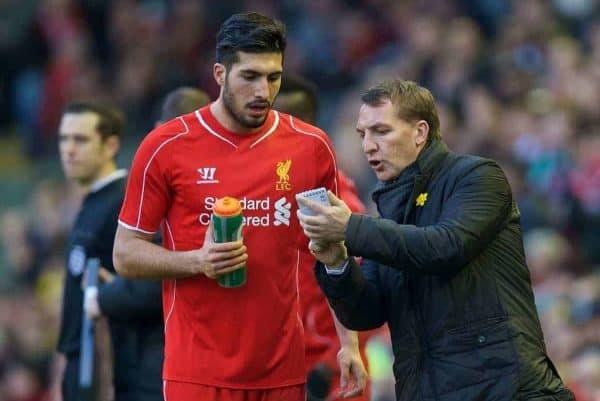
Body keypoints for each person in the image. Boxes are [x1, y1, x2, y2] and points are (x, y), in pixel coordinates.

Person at [113, 12, 366, 401]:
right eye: (249, 76)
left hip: (282, 371)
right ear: (219, 74)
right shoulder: (165, 147)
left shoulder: (311, 147)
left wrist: (348, 341)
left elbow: (330, 251)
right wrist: (198, 261)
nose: (263, 91)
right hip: (195, 373)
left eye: (273, 77)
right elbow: (125, 254)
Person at [297, 79, 576, 401]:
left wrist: (351, 228)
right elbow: (366, 313)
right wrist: (337, 263)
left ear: (420, 132)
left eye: (381, 131)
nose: (368, 145)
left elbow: (445, 246)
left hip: (504, 390)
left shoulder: (477, 177)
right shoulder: (387, 217)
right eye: (363, 135)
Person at [54, 101, 164, 401]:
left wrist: (108, 294)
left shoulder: (125, 201)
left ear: (111, 144)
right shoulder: (94, 201)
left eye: (80, 139)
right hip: (82, 362)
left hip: (109, 370)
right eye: (64, 139)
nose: (69, 150)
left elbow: (146, 285)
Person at [274, 74, 372, 401]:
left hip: (329, 376)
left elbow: (368, 289)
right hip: (277, 368)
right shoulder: (265, 195)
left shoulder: (333, 201)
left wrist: (329, 364)